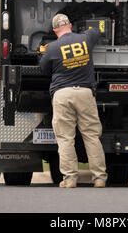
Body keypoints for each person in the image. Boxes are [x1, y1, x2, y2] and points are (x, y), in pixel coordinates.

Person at [39, 14, 108, 188]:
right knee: (92, 136)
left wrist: (45, 52)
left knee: (65, 138)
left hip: (62, 94)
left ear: (55, 30)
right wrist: (89, 29)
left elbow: (43, 69)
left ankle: (70, 179)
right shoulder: (85, 38)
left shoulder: (52, 47)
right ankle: (99, 178)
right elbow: (98, 28)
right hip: (85, 93)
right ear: (70, 25)